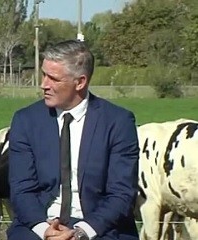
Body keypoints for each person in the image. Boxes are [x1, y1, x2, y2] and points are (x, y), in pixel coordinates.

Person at [7, 40, 139, 240]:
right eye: (44, 75)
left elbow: (121, 194)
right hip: (39, 223)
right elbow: (21, 189)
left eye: (53, 78)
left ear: (80, 82)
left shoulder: (118, 122)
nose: (44, 85)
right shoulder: (26, 121)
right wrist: (44, 230)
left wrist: (80, 233)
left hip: (101, 227)